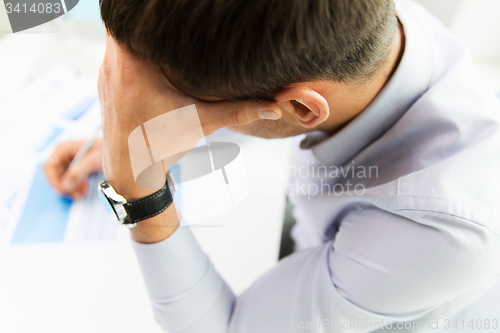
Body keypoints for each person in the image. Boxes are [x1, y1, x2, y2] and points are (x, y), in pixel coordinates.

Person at [44, 0, 500, 331]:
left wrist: (137, 192)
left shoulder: (441, 231)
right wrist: (133, 134)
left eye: (184, 98)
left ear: (303, 108)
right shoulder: (359, 32)